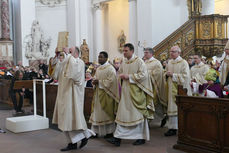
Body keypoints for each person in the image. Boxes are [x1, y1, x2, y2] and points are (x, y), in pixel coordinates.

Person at [107, 43, 154, 146]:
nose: (124, 52)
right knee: (122, 114)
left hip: (136, 93)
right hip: (125, 92)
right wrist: (121, 76)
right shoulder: (124, 62)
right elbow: (120, 73)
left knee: (138, 115)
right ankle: (117, 138)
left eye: (126, 51)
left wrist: (129, 77)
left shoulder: (139, 61)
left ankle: (141, 137)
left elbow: (144, 75)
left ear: (132, 51)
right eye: (123, 51)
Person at [51, 46, 95, 151]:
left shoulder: (79, 63)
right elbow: (56, 73)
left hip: (72, 95)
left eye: (70, 52)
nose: (67, 54)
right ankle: (73, 142)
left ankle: (81, 138)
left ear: (76, 53)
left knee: (70, 119)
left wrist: (67, 56)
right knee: (64, 120)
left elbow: (74, 76)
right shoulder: (67, 61)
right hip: (64, 94)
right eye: (67, 52)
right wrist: (58, 57)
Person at [89, 51, 119, 138]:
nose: (99, 58)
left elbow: (112, 81)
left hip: (107, 94)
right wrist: (94, 81)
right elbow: (95, 78)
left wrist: (99, 82)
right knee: (96, 113)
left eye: (101, 57)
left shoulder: (110, 68)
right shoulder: (98, 68)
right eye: (99, 57)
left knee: (106, 114)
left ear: (106, 58)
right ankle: (95, 132)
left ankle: (109, 132)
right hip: (98, 94)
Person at [164, 46, 192, 136]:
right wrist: (166, 74)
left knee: (178, 108)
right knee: (171, 108)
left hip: (179, 89)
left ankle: (180, 128)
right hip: (171, 87)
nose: (171, 53)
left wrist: (173, 75)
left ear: (179, 53)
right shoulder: (170, 62)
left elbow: (186, 76)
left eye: (173, 51)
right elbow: (165, 72)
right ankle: (172, 128)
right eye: (170, 51)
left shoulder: (183, 63)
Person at [144, 48, 167, 127]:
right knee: (148, 104)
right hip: (146, 86)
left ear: (151, 53)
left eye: (146, 52)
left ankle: (151, 120)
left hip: (155, 87)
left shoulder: (156, 63)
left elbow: (157, 74)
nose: (145, 54)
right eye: (145, 52)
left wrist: (145, 75)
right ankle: (148, 121)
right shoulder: (145, 62)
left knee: (153, 103)